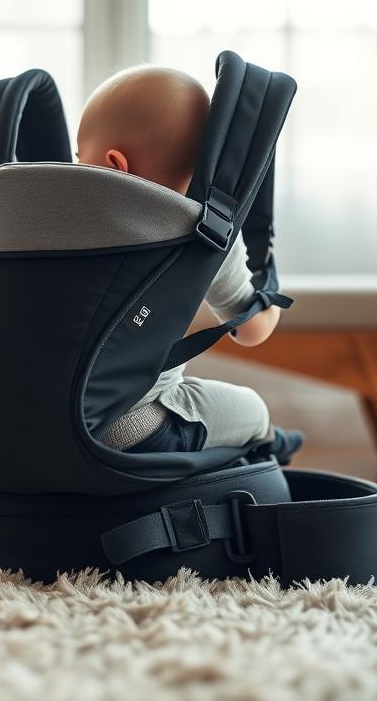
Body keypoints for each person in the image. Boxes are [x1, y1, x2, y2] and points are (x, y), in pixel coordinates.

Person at [76, 65, 304, 461]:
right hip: (126, 428)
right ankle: (269, 442)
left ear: (115, 163)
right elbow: (251, 331)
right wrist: (268, 294)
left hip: (11, 419)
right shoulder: (200, 234)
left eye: (78, 155)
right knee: (251, 407)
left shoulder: (31, 219)